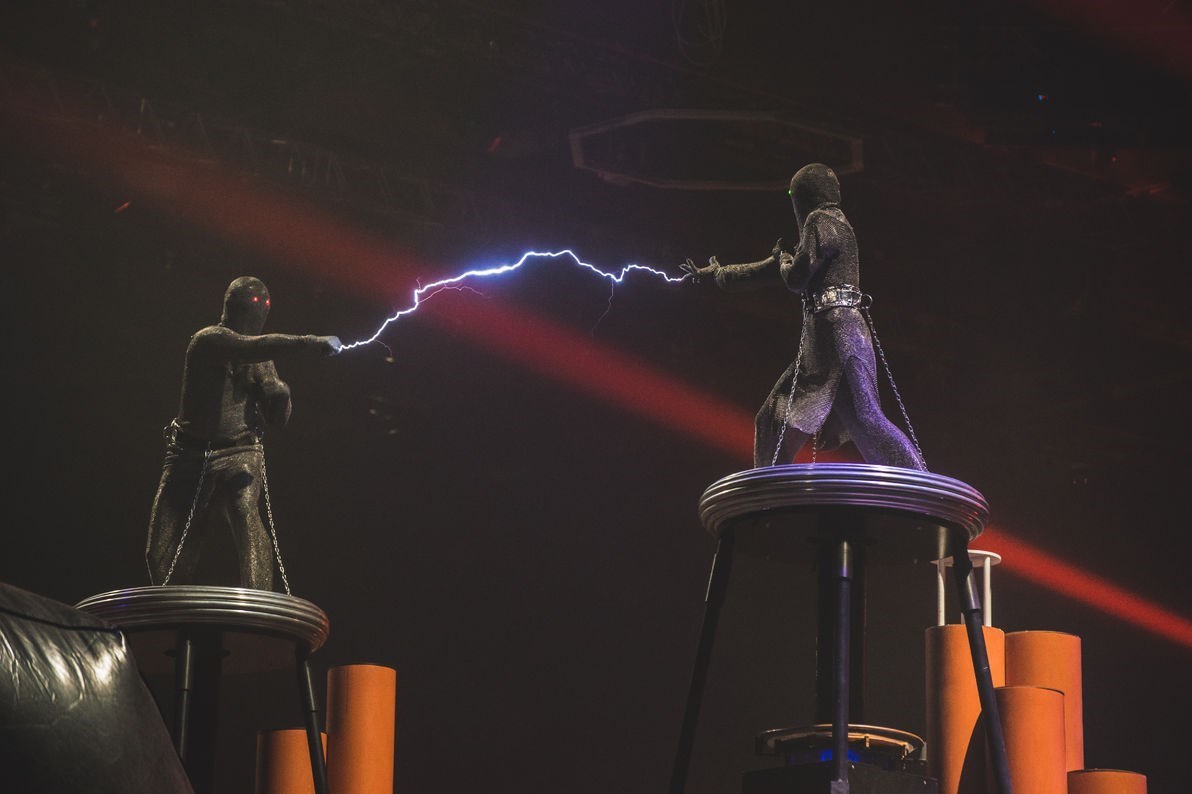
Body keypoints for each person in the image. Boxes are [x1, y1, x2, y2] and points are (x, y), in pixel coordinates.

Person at [682, 163, 926, 471]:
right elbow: (767, 270)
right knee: (864, 420)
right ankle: (920, 481)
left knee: (777, 417)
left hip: (832, 333)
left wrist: (784, 261)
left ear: (802, 197)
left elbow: (795, 277)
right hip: (846, 332)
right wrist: (719, 274)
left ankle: (769, 487)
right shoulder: (835, 226)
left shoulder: (820, 220)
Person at [146, 276, 342, 591]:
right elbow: (252, 347)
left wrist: (281, 397)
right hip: (189, 453)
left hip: (239, 452)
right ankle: (172, 598)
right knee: (161, 550)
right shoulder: (209, 340)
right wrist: (311, 341)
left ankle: (258, 596)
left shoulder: (262, 360)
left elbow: (278, 421)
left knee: (245, 510)